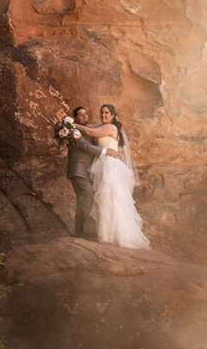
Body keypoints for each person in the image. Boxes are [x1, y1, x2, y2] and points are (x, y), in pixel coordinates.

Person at [77, 104, 150, 249]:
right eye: (102, 112)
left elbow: (89, 131)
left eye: (106, 113)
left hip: (110, 166)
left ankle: (118, 236)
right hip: (104, 164)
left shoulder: (111, 128)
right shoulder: (104, 126)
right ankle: (106, 235)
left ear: (112, 115)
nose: (103, 115)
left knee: (111, 199)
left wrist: (72, 124)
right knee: (106, 200)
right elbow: (90, 126)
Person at [63, 106, 103, 238]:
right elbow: (84, 146)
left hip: (87, 172)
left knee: (82, 200)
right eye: (81, 115)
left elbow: (100, 129)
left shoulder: (89, 129)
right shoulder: (71, 130)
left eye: (86, 114)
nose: (84, 117)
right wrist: (104, 152)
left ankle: (79, 230)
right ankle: (89, 232)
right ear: (75, 118)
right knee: (88, 197)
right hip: (78, 171)